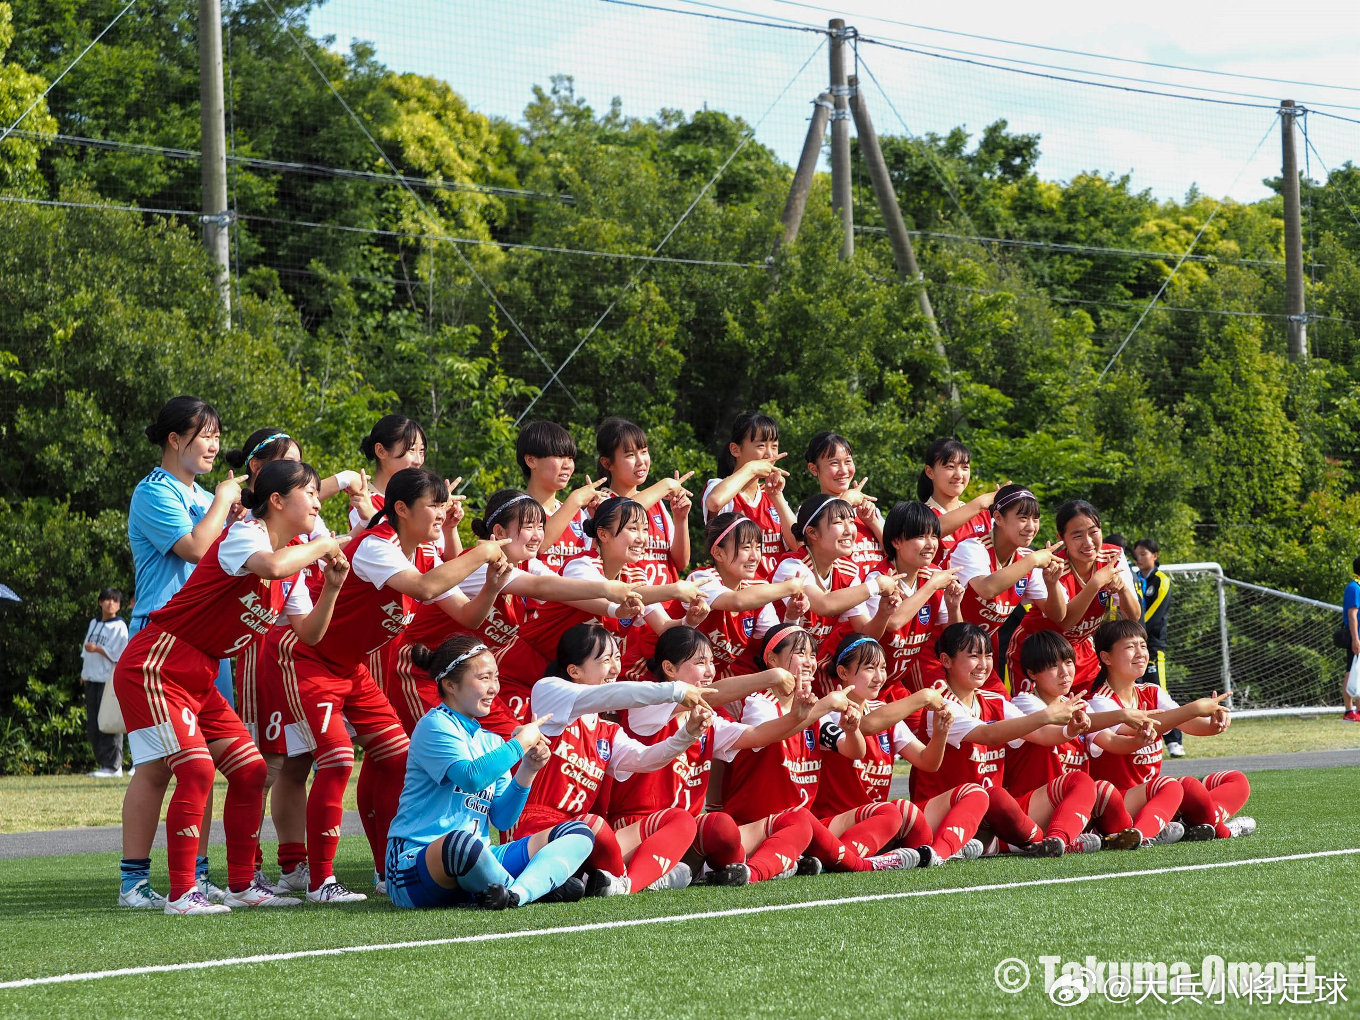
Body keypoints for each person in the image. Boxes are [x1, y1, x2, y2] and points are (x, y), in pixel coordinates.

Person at [113, 460, 350, 914]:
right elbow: (274, 566)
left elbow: (310, 634)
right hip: (158, 662)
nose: (319, 501)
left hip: (198, 674)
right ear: (277, 501)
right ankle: (182, 892)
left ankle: (242, 885)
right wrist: (323, 545)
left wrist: (333, 588)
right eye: (310, 492)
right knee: (197, 770)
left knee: (252, 772)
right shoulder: (249, 535)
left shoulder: (296, 559)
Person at [269, 468, 510, 903]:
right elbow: (425, 586)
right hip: (308, 660)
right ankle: (319, 880)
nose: (443, 512)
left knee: (398, 758)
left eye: (443, 502)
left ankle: (386, 871)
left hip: (351, 669)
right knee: (337, 761)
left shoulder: (423, 553)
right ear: (400, 508)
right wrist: (482, 552)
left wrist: (491, 586)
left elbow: (469, 618)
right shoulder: (377, 546)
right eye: (433, 505)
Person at [123, 396, 238, 906]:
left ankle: (195, 874)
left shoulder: (207, 497)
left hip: (208, 645)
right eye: (205, 434)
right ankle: (134, 882)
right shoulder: (153, 492)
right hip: (159, 640)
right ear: (175, 439)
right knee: (157, 767)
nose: (214, 444)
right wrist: (222, 504)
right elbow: (194, 547)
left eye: (216, 434)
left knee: (207, 759)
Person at [385, 634, 596, 909]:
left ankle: (517, 894)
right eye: (484, 678)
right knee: (460, 845)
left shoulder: (492, 741)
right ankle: (537, 887)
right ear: (450, 685)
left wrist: (529, 768)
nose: (494, 687)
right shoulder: (434, 725)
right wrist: (520, 744)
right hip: (416, 863)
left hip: (479, 862)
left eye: (496, 677)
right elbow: (472, 777)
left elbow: (503, 819)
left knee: (578, 832)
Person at [514, 623, 713, 894]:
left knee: (681, 820)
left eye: (617, 657)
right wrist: (675, 690)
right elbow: (607, 695)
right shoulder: (548, 691)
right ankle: (623, 875)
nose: (615, 668)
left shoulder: (607, 731)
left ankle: (622, 883)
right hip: (536, 829)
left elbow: (645, 760)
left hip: (583, 834)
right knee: (593, 825)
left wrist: (687, 735)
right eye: (605, 659)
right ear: (574, 671)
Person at [1086, 619, 1254, 844]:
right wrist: (1193, 708)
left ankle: (1183, 824)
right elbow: (1148, 725)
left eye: (1143, 646)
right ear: (1106, 657)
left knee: (1236, 780)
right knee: (1179, 785)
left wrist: (1215, 724)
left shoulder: (1152, 691)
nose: (1140, 653)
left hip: (1160, 795)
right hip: (1123, 801)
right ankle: (1218, 830)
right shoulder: (1100, 702)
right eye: (1130, 647)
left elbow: (1186, 723)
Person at [1006, 500, 1140, 699]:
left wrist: (1122, 590)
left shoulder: (1113, 555)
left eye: (1094, 532)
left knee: (1090, 717)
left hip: (1081, 650)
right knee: (1040, 720)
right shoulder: (1055, 566)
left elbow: (1133, 616)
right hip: (1038, 651)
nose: (1088, 542)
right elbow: (1066, 622)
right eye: (1077, 536)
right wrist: (1096, 583)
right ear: (1061, 538)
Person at [950, 485, 1067, 693]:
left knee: (1004, 715)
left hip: (983, 651)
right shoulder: (972, 548)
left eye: (1036, 519)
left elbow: (1057, 615)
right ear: (998, 518)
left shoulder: (1026, 558)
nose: (1031, 526)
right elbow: (987, 588)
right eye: (1023, 518)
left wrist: (1052, 583)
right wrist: (1032, 560)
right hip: (945, 649)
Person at [702, 412, 796, 578]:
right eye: (761, 446)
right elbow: (714, 502)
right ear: (735, 449)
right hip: (739, 596)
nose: (769, 454)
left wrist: (777, 497)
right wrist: (751, 469)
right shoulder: (717, 486)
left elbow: (798, 544)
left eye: (774, 446)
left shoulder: (772, 495)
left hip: (775, 596)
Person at [516, 420, 602, 574]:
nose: (568, 465)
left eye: (570, 458)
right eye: (559, 456)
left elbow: (592, 562)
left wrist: (598, 524)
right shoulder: (515, 510)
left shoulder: (577, 514)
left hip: (577, 597)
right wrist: (575, 500)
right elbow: (538, 548)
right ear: (531, 460)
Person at [803, 431, 883, 572]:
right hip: (842, 592)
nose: (844, 470)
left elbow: (898, 552)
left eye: (848, 461)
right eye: (834, 463)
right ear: (813, 469)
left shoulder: (869, 510)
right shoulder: (810, 513)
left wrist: (872, 521)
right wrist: (846, 502)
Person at [916, 438, 1001, 566]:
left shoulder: (982, 516)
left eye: (965, 467)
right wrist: (981, 503)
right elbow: (932, 529)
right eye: (950, 467)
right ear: (930, 471)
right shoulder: (917, 515)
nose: (959, 475)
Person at [1133, 538, 1181, 751]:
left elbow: (1153, 614)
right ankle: (1142, 739)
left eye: (1143, 553)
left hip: (1152, 645)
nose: (1139, 558)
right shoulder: (1133, 578)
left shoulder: (1161, 580)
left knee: (1159, 690)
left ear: (1155, 555)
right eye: (1137, 554)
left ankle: (1174, 741)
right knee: (1137, 691)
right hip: (1134, 642)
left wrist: (1135, 627)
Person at [81, 587, 129, 778]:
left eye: (115, 600)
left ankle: (114, 765)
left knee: (109, 722)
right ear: (100, 602)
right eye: (107, 599)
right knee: (93, 724)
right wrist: (84, 673)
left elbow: (121, 654)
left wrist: (99, 649)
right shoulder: (94, 622)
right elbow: (86, 649)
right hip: (92, 678)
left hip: (108, 680)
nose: (111, 603)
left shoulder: (120, 626)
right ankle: (103, 763)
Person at [1343, 557, 1360, 722]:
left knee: (1359, 673)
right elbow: (1352, 614)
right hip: (1357, 636)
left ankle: (1359, 710)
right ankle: (1349, 710)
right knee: (1351, 671)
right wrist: (1356, 639)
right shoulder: (1354, 587)